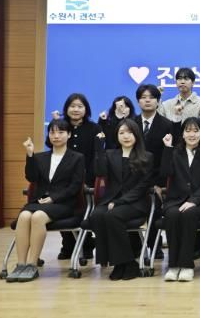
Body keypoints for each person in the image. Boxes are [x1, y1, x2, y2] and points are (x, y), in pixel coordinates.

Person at [5, 120, 85, 283]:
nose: (56, 136)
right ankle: (21, 265)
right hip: (39, 201)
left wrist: (54, 198)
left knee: (38, 216)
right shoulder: (41, 157)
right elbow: (31, 177)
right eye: (52, 132)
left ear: (69, 135)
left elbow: (75, 186)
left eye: (61, 132)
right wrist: (30, 155)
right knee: (24, 216)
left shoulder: (77, 158)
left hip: (63, 203)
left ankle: (32, 264)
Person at [89, 119, 154, 280]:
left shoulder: (147, 156)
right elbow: (100, 172)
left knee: (112, 215)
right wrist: (99, 149)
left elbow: (142, 186)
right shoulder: (110, 154)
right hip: (111, 199)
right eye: (122, 133)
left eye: (130, 132)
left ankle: (127, 263)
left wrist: (120, 202)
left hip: (135, 202)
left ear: (136, 134)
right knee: (97, 215)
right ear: (117, 136)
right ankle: (119, 263)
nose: (126, 136)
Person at [160, 117, 200, 282]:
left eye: (196, 131)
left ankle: (186, 265)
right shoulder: (175, 152)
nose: (192, 134)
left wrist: (194, 200)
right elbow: (165, 173)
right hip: (175, 200)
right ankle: (173, 265)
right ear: (183, 134)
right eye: (188, 130)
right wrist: (167, 148)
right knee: (172, 215)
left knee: (189, 214)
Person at [53, 93, 101, 260]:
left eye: (80, 106)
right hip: (63, 179)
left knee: (83, 212)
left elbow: (97, 155)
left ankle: (86, 245)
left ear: (86, 109)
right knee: (62, 210)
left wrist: (90, 179)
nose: (76, 109)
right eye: (72, 106)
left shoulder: (94, 128)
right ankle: (67, 245)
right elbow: (52, 146)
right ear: (66, 108)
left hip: (87, 179)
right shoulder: (60, 126)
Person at [134, 84, 176, 259]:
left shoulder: (167, 124)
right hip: (133, 179)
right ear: (138, 101)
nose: (147, 100)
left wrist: (159, 184)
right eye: (143, 97)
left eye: (151, 97)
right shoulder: (131, 124)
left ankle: (155, 247)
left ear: (158, 101)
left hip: (157, 180)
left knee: (155, 208)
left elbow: (168, 157)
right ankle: (135, 247)